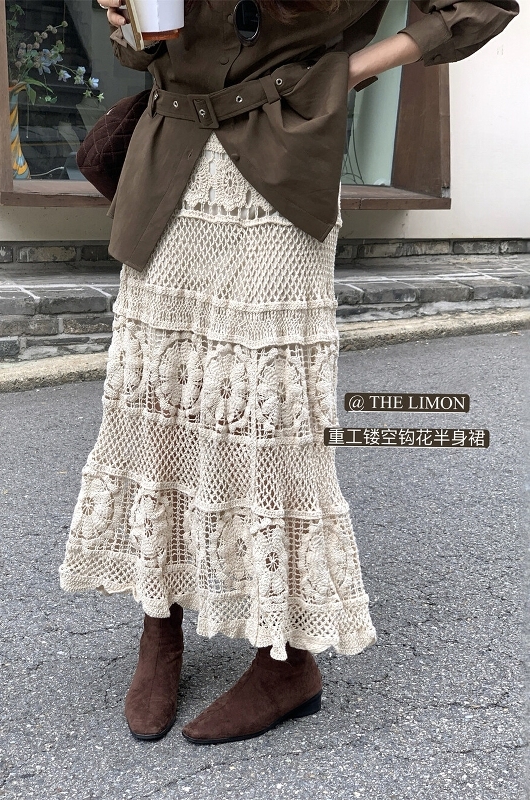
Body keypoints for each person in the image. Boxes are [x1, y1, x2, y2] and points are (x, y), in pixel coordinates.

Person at [59, 0, 518, 745]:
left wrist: (340, 74)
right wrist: (127, 21)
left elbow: (477, 7)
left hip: (280, 159)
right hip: (168, 153)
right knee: (156, 398)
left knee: (274, 417)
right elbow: (150, 48)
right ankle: (159, 620)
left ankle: (287, 660)